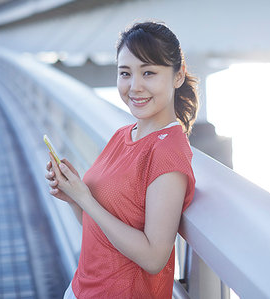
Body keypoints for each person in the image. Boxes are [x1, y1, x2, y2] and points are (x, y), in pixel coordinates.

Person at [45, 21, 198, 298]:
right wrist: (73, 196)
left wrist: (85, 198)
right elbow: (98, 226)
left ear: (178, 76)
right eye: (125, 73)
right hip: (81, 288)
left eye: (149, 72)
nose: (135, 86)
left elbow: (154, 258)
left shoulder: (168, 154)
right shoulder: (123, 135)